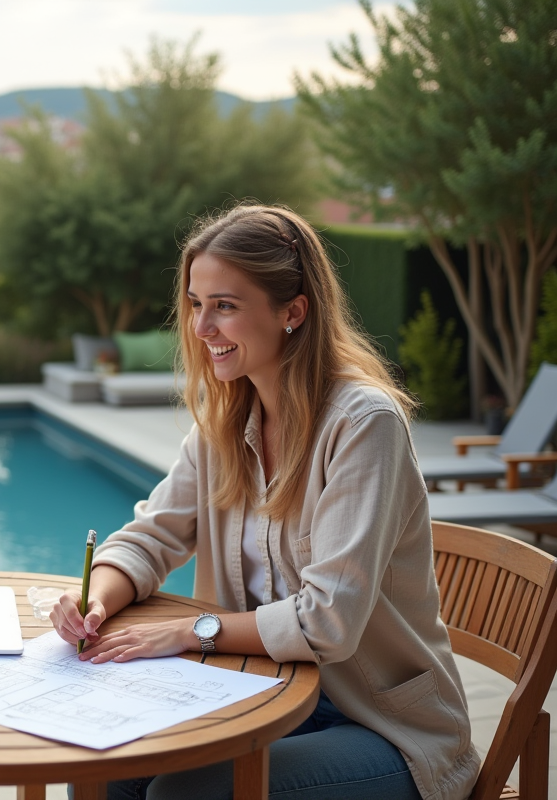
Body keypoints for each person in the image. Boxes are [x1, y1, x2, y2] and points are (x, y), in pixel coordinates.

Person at [49, 205, 478, 800]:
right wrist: (92, 598)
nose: (202, 329)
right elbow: (152, 537)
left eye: (225, 306)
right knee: (104, 766)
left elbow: (328, 622)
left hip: (384, 730)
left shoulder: (362, 426)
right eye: (197, 304)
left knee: (184, 794)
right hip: (265, 699)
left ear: (292, 311)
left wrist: (189, 632)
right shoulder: (225, 422)